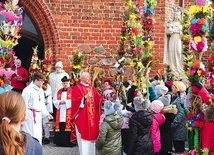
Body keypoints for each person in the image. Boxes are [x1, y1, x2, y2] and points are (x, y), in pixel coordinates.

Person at [71, 71, 103, 155]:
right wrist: (84, 97)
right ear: (82, 78)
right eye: (87, 76)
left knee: (92, 140)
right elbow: (74, 101)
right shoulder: (77, 88)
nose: (89, 78)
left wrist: (105, 100)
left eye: (89, 76)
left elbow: (98, 98)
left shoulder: (92, 87)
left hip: (92, 117)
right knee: (84, 140)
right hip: (83, 117)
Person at [21, 72, 53, 144]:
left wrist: (46, 113)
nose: (42, 83)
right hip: (29, 116)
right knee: (30, 134)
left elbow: (42, 104)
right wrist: (23, 118)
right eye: (41, 81)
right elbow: (23, 104)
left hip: (38, 116)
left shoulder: (41, 90)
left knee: (38, 134)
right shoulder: (27, 90)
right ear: (36, 80)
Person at [53, 76, 73, 147]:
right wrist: (59, 102)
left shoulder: (72, 91)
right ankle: (59, 142)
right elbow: (54, 100)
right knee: (61, 126)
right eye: (64, 83)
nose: (65, 84)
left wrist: (66, 102)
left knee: (67, 126)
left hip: (68, 111)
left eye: (66, 83)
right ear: (62, 84)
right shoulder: (58, 91)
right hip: (60, 111)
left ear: (69, 83)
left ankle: (68, 142)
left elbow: (74, 101)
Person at [164, 7, 183, 75]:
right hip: (172, 38)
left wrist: (181, 32)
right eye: (176, 15)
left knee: (178, 52)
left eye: (178, 15)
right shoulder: (171, 23)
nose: (177, 16)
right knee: (172, 52)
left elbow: (183, 34)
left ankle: (178, 67)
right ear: (174, 15)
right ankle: (172, 68)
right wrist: (170, 30)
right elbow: (168, 32)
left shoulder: (181, 24)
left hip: (178, 39)